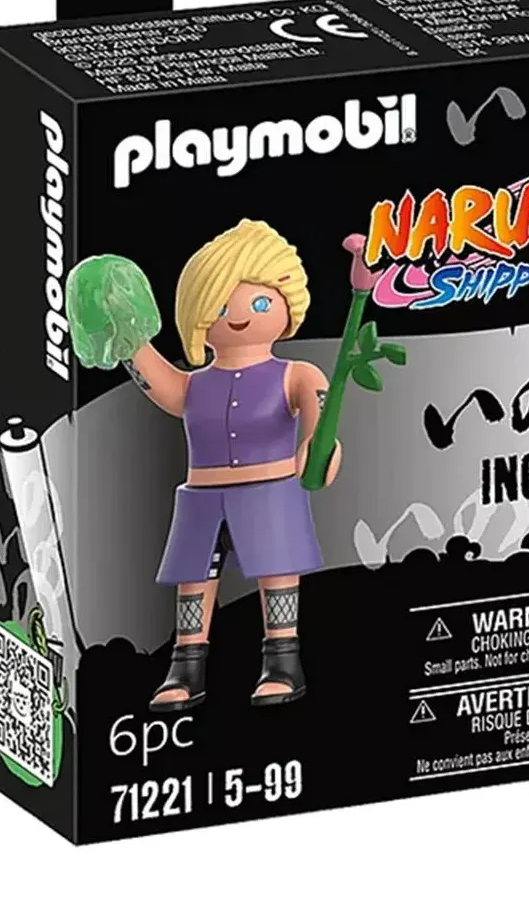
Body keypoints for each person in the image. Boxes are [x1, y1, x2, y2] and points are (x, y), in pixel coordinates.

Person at [67, 218, 339, 710]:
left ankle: (283, 662)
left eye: (260, 303)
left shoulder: (297, 374)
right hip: (202, 496)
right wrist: (126, 334)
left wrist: (319, 448)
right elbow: (160, 382)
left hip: (271, 489)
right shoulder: (195, 384)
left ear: (288, 304)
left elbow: (321, 420)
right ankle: (185, 667)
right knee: (195, 577)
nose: (240, 317)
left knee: (278, 570)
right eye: (220, 306)